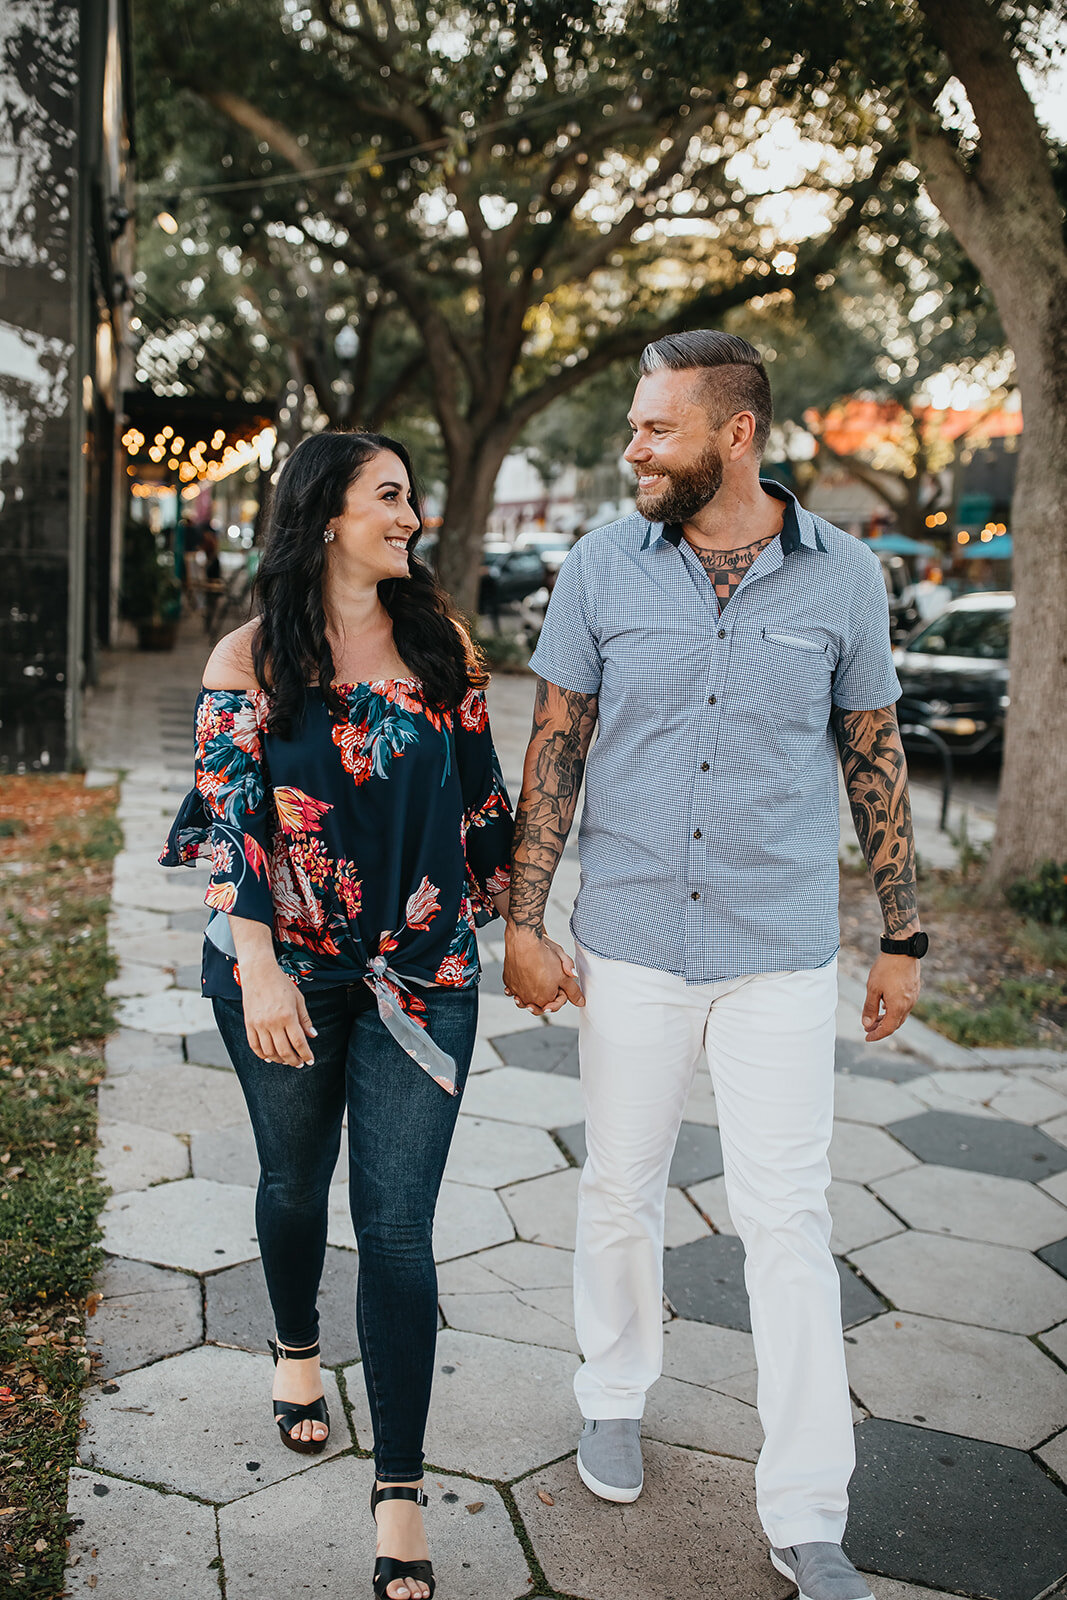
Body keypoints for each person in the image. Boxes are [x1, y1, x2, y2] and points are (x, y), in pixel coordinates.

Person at [503, 331, 925, 1600]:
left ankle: (806, 1511)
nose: (632, 447)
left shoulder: (842, 577)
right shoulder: (599, 565)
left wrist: (902, 932)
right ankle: (612, 1391)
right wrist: (523, 919)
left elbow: (872, 751)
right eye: (634, 425)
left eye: (656, 428)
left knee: (787, 1219)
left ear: (735, 434)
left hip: (774, 953)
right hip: (629, 940)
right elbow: (555, 745)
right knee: (619, 1185)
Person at [161, 431, 513, 1600]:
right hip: (287, 972)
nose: (410, 517)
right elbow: (232, 829)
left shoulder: (438, 645)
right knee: (294, 1182)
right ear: (325, 518)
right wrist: (259, 969)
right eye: (389, 496)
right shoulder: (250, 656)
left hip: (422, 973)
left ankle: (399, 1490)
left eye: (410, 498)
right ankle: (296, 1348)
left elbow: (483, 809)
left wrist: (525, 929)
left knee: (399, 1227)